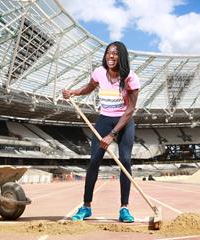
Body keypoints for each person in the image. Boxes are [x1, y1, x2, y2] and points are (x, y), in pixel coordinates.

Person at [62, 41, 140, 223]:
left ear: (121, 57)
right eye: (108, 53)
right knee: (94, 162)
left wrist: (112, 134)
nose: (111, 56)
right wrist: (73, 92)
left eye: (115, 54)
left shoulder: (130, 78)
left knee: (125, 161)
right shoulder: (98, 73)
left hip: (125, 122)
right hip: (104, 120)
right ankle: (86, 206)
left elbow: (130, 110)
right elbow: (89, 87)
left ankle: (124, 208)